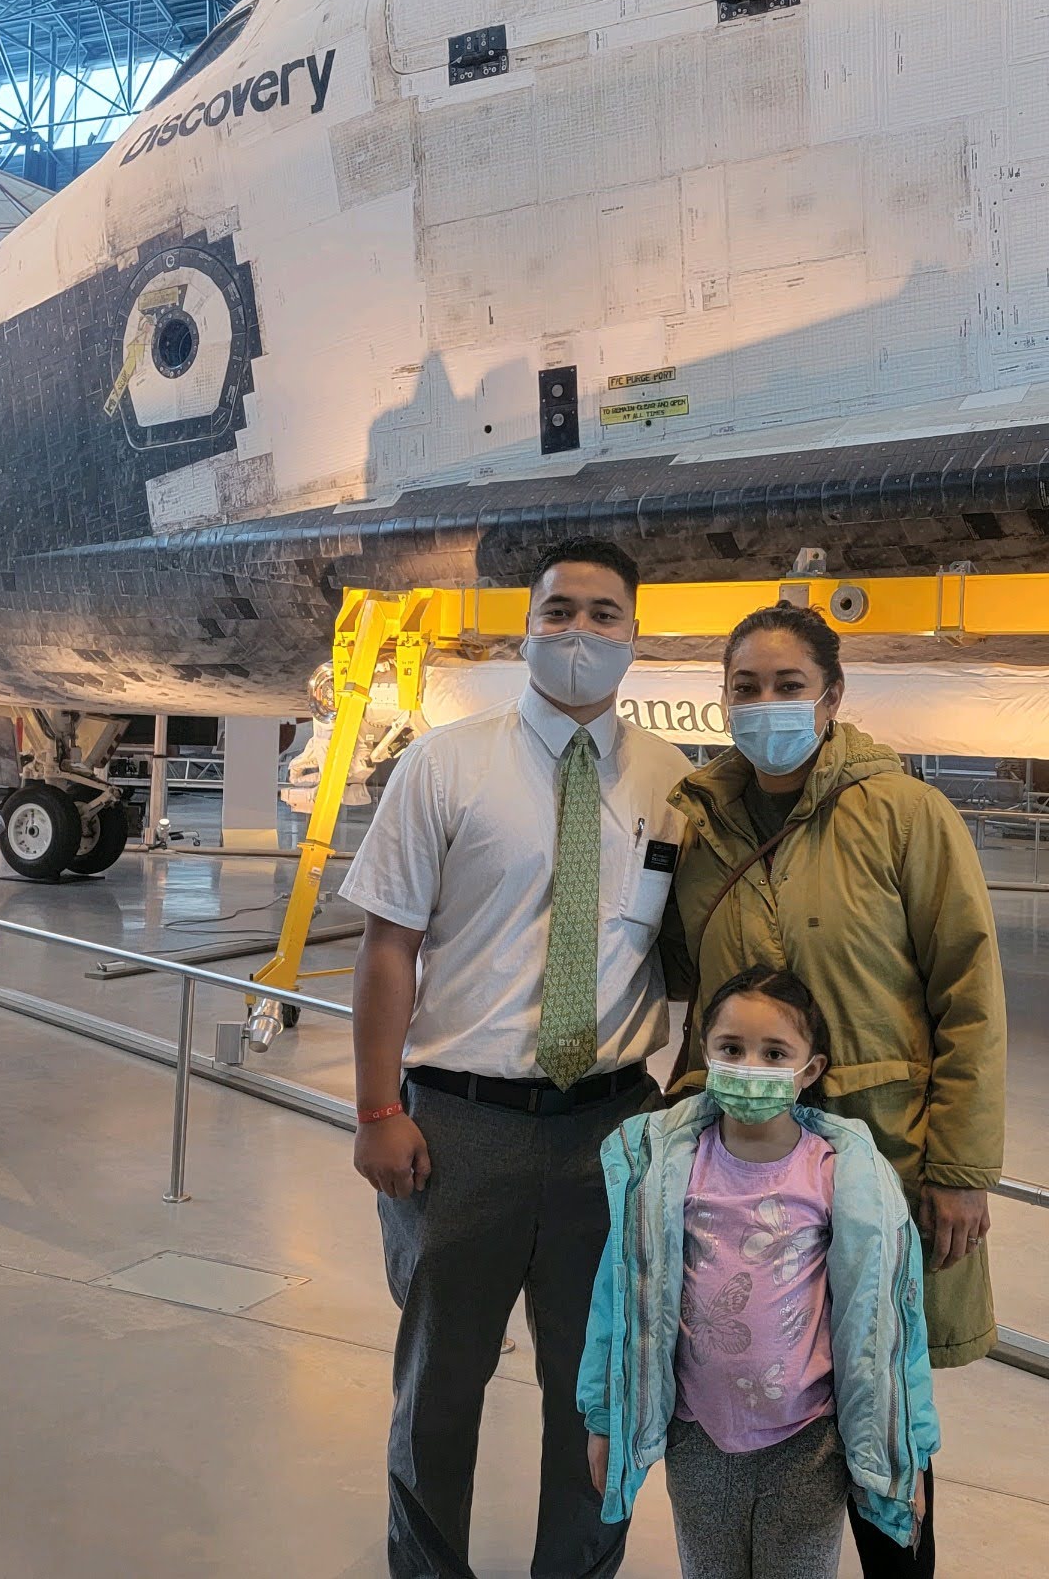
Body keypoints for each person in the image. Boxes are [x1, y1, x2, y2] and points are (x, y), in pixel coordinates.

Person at [343, 535, 693, 1579]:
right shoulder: (445, 763)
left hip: (613, 1126)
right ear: (526, 627)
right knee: (439, 1386)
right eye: (558, 611)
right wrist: (376, 1109)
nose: (578, 631)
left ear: (633, 635)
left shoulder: (676, 783)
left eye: (602, 613)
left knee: (599, 1392)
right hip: (460, 1127)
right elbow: (387, 943)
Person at [660, 603, 1006, 1577]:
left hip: (881, 1167)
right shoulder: (700, 826)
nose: (765, 703)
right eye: (745, 686)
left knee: (883, 1421)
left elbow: (968, 993)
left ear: (832, 695)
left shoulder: (904, 815)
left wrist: (961, 1167)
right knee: (760, 1388)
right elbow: (685, 983)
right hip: (741, 1180)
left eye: (788, 684)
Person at [579, 965, 938, 1579]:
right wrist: (605, 1416)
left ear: (811, 1069)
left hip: (807, 1443)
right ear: (705, 1053)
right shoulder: (662, 1174)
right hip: (698, 1436)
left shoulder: (841, 1177)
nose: (750, 1066)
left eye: (774, 1053)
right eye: (731, 1048)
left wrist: (908, 1453)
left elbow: (891, 1329)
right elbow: (620, 1299)